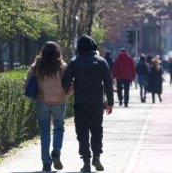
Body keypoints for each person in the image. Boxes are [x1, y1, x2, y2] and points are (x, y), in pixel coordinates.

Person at [62, 34, 113, 172]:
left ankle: (86, 162)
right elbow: (108, 83)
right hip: (97, 104)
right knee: (97, 130)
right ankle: (96, 156)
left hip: (80, 103)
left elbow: (66, 81)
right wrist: (110, 103)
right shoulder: (101, 61)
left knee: (82, 132)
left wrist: (68, 89)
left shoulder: (74, 61)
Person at [28, 41, 70, 172]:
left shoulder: (37, 66)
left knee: (44, 132)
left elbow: (27, 83)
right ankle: (56, 152)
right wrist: (66, 95)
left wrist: (35, 96)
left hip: (42, 102)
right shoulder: (62, 66)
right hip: (59, 102)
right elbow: (70, 85)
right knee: (59, 129)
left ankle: (46, 162)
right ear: (58, 52)